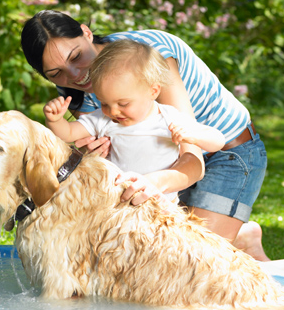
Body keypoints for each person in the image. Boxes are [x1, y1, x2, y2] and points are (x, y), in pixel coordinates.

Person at [21, 9, 284, 310]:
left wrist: (153, 183)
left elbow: (191, 155)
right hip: (165, 170)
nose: (76, 74)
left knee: (191, 274)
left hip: (225, 153)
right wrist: (95, 156)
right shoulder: (88, 97)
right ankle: (241, 239)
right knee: (157, 264)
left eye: (77, 56)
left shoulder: (147, 57)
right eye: (57, 73)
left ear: (86, 32)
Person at [44, 39, 226, 203]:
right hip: (116, 202)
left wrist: (195, 135)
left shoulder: (168, 117)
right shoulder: (104, 118)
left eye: (123, 103)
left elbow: (218, 141)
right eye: (104, 102)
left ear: (153, 91)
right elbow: (67, 133)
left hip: (159, 202)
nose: (113, 111)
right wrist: (55, 120)